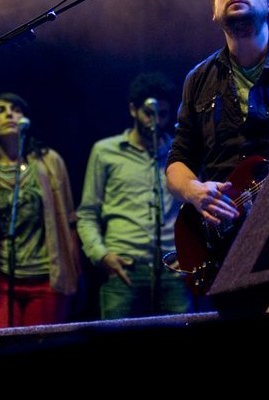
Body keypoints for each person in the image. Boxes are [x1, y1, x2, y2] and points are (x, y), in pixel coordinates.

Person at [165, 0, 269, 310]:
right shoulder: (198, 80)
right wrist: (195, 191)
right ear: (214, 12)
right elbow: (178, 159)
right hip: (224, 253)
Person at [76, 72, 193, 320]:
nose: (156, 121)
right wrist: (102, 255)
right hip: (125, 269)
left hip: (173, 269)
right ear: (133, 109)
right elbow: (87, 214)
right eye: (149, 114)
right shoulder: (105, 151)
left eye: (162, 114)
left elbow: (193, 209)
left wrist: (190, 255)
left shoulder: (179, 154)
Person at [0, 92, 82, 329]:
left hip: (47, 281)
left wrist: (75, 275)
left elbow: (69, 222)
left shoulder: (50, 162)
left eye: (16, 109)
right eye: (0, 110)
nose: (9, 113)